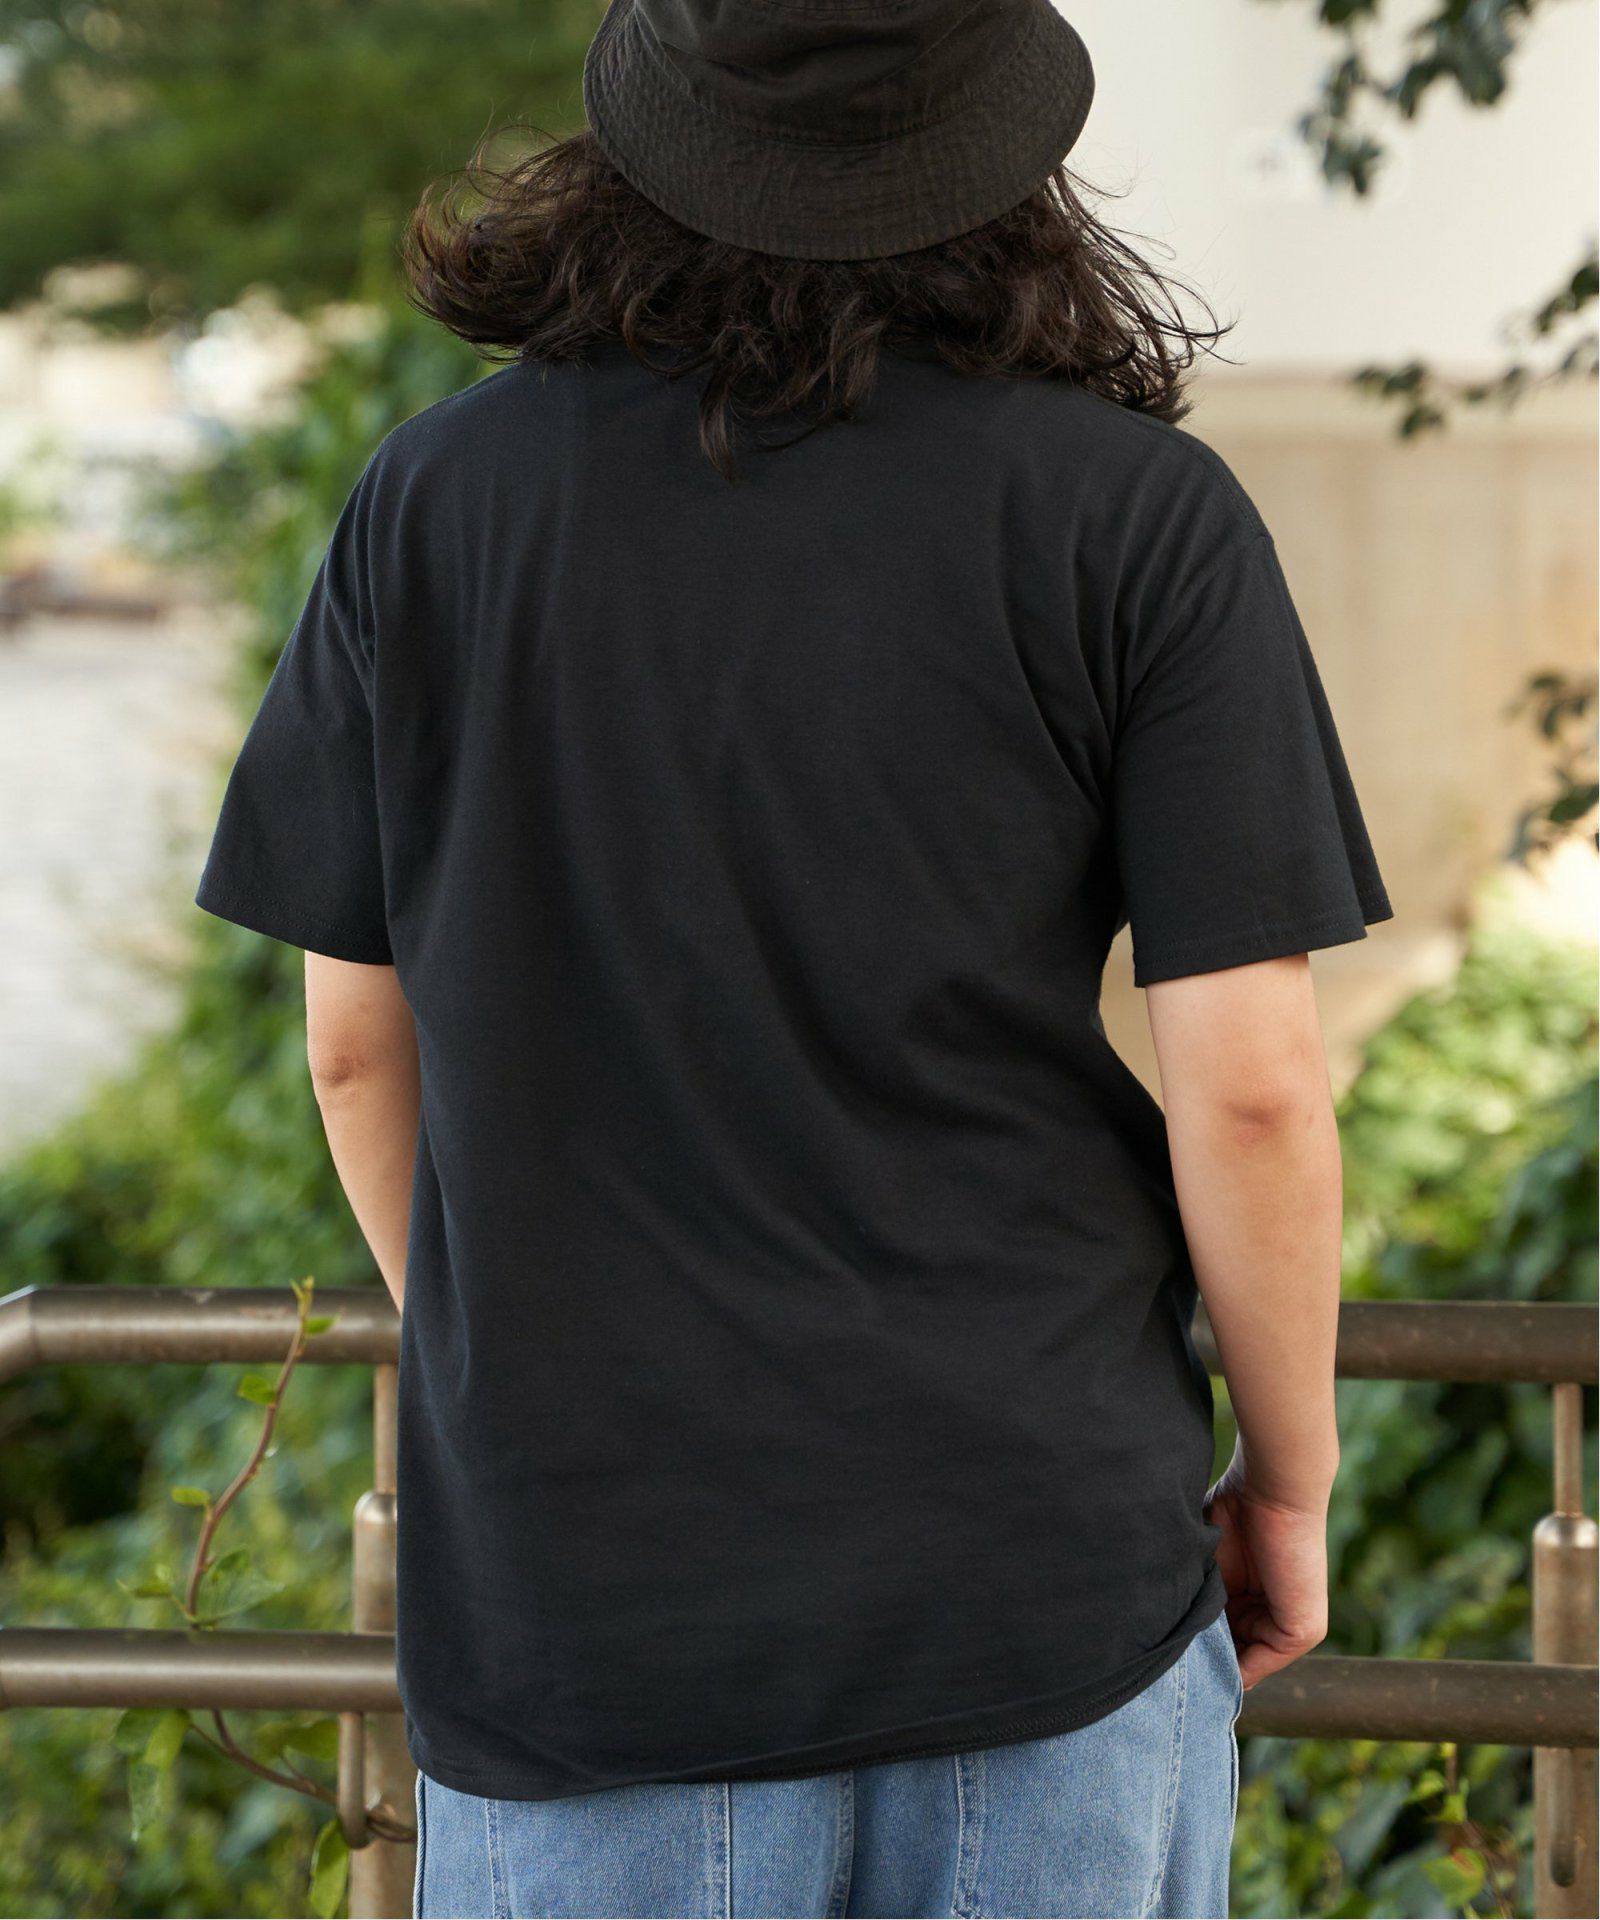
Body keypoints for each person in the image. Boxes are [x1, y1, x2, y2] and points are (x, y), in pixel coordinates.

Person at [193, 1, 1393, 1914]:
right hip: (1039, 1576)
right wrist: (1294, 1483)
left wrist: (536, 1363)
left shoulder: (435, 504)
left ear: (651, 138)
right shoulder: (1139, 515)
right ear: (1002, 159)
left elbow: (355, 1047)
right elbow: (1250, 1090)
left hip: (591, 1616)